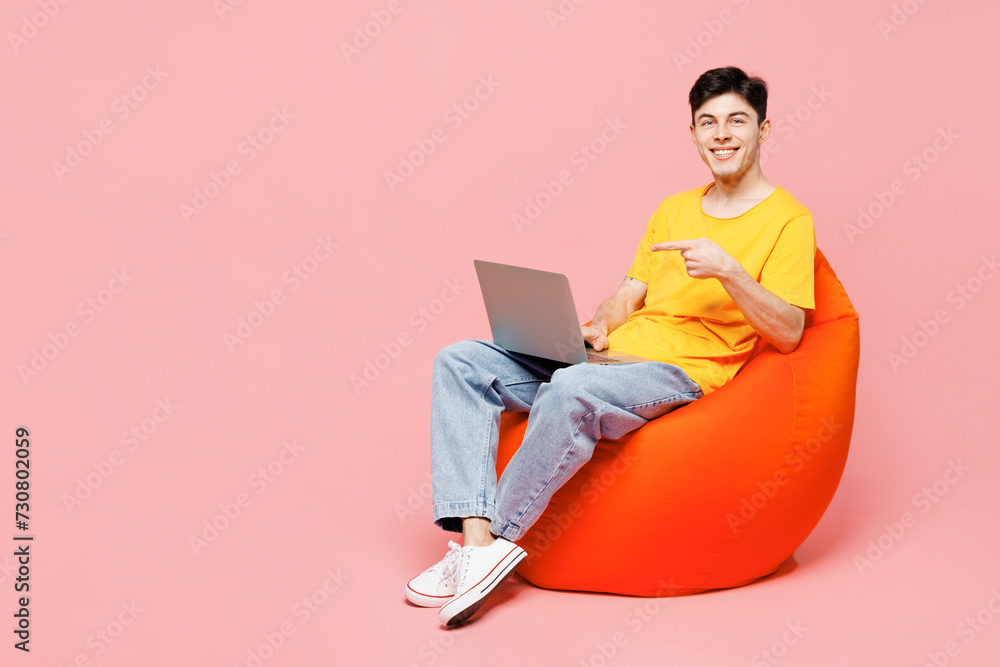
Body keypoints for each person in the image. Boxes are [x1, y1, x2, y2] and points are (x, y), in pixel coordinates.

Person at [404, 66, 817, 627]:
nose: (722, 134)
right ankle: (474, 544)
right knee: (460, 360)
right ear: (694, 134)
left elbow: (791, 331)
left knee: (572, 387)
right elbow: (628, 293)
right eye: (708, 122)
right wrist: (597, 327)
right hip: (612, 359)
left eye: (736, 121)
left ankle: (496, 542)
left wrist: (729, 272)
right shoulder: (673, 208)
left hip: (680, 371)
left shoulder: (789, 220)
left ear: (763, 131)